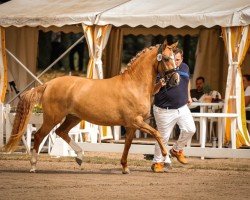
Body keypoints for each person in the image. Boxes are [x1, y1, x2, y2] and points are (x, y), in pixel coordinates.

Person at [151, 48, 196, 173]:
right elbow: (152, 91)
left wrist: (188, 96)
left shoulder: (185, 67)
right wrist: (159, 84)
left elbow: (187, 81)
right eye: (173, 59)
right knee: (163, 138)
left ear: (182, 59)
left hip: (182, 107)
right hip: (164, 110)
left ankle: (176, 150)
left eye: (178, 60)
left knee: (190, 129)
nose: (176, 63)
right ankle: (157, 162)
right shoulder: (162, 69)